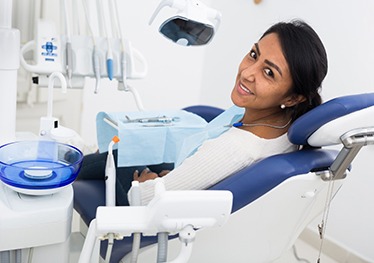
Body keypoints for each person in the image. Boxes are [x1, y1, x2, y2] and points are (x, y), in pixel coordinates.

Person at [77, 19, 328, 206]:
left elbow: (145, 198)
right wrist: (180, 176)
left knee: (117, 155)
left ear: (294, 97)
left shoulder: (235, 149)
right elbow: (207, 173)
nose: (248, 72)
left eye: (269, 72)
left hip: (151, 213)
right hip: (192, 186)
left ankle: (62, 171)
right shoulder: (285, 127)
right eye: (254, 55)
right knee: (124, 150)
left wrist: (148, 183)